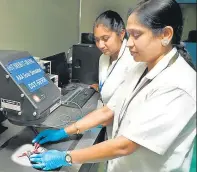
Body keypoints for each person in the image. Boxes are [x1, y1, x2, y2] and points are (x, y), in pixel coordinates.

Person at [30, 0, 196, 171]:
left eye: (136, 35)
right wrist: (64, 131)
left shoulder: (179, 85)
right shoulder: (140, 67)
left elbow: (126, 145)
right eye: (129, 35)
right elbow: (110, 110)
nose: (129, 43)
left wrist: (66, 156)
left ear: (165, 35)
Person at [90, 10, 137, 139]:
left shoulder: (132, 60)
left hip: (124, 130)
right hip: (107, 123)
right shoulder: (103, 58)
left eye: (105, 39)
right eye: (97, 40)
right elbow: (111, 83)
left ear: (121, 34)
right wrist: (101, 88)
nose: (100, 45)